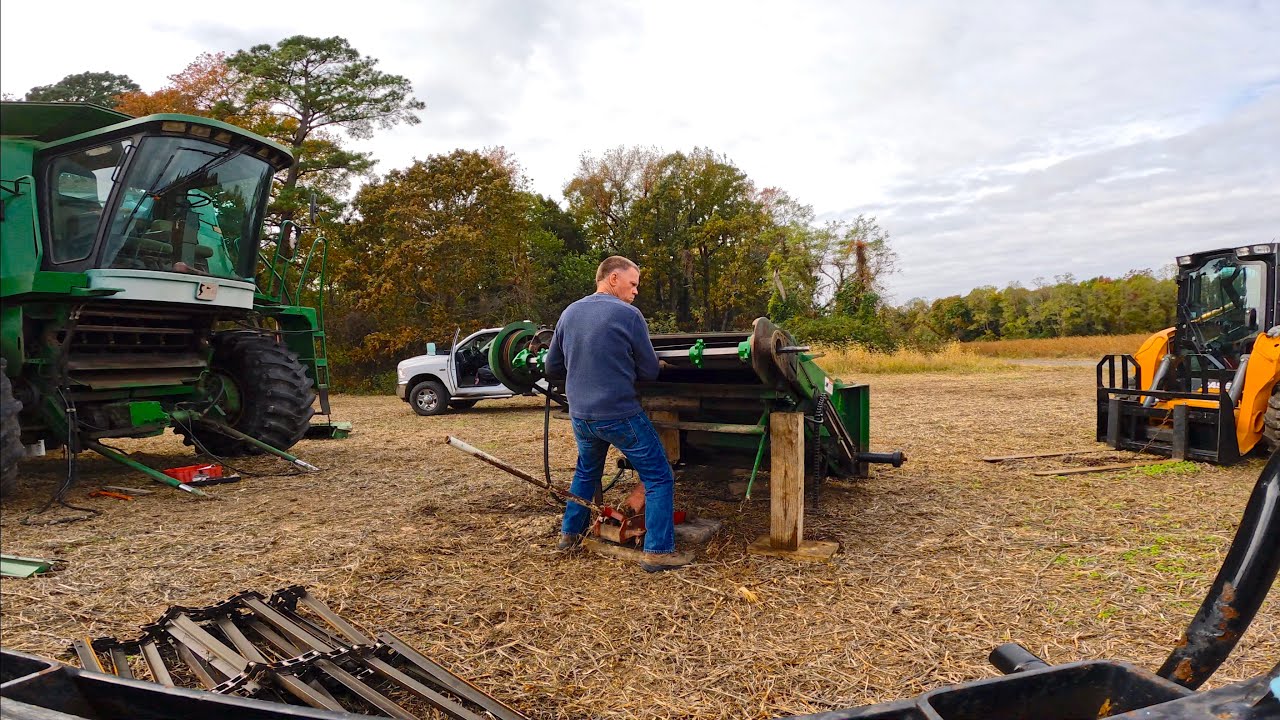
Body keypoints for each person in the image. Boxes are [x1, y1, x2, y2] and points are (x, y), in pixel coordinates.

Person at [544, 256, 692, 572]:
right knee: (659, 475)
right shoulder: (629, 315)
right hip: (619, 413)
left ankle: (570, 535)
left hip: (582, 416)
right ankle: (658, 552)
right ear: (613, 278)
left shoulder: (569, 313)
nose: (636, 291)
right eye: (633, 283)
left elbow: (552, 367)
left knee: (587, 471)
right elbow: (650, 371)